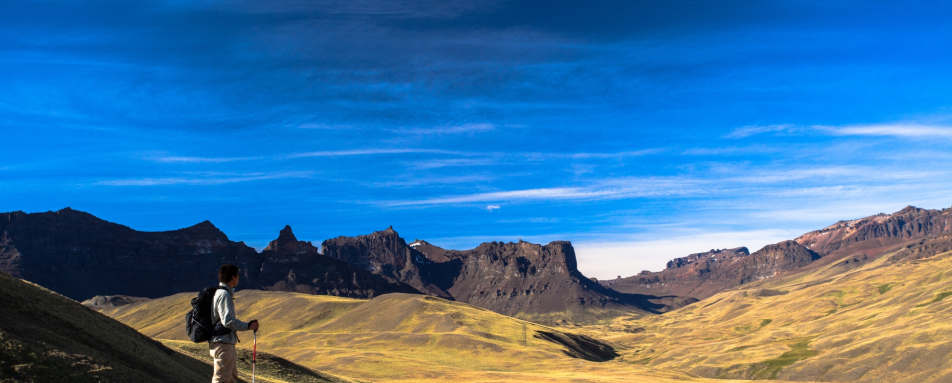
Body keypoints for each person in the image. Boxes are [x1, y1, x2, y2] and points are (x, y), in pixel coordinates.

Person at [209, 264, 259, 383]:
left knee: (231, 378)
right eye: (237, 276)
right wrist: (248, 326)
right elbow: (228, 321)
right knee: (221, 379)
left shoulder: (220, 293)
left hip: (222, 342)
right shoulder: (224, 295)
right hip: (223, 344)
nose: (238, 279)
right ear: (233, 278)